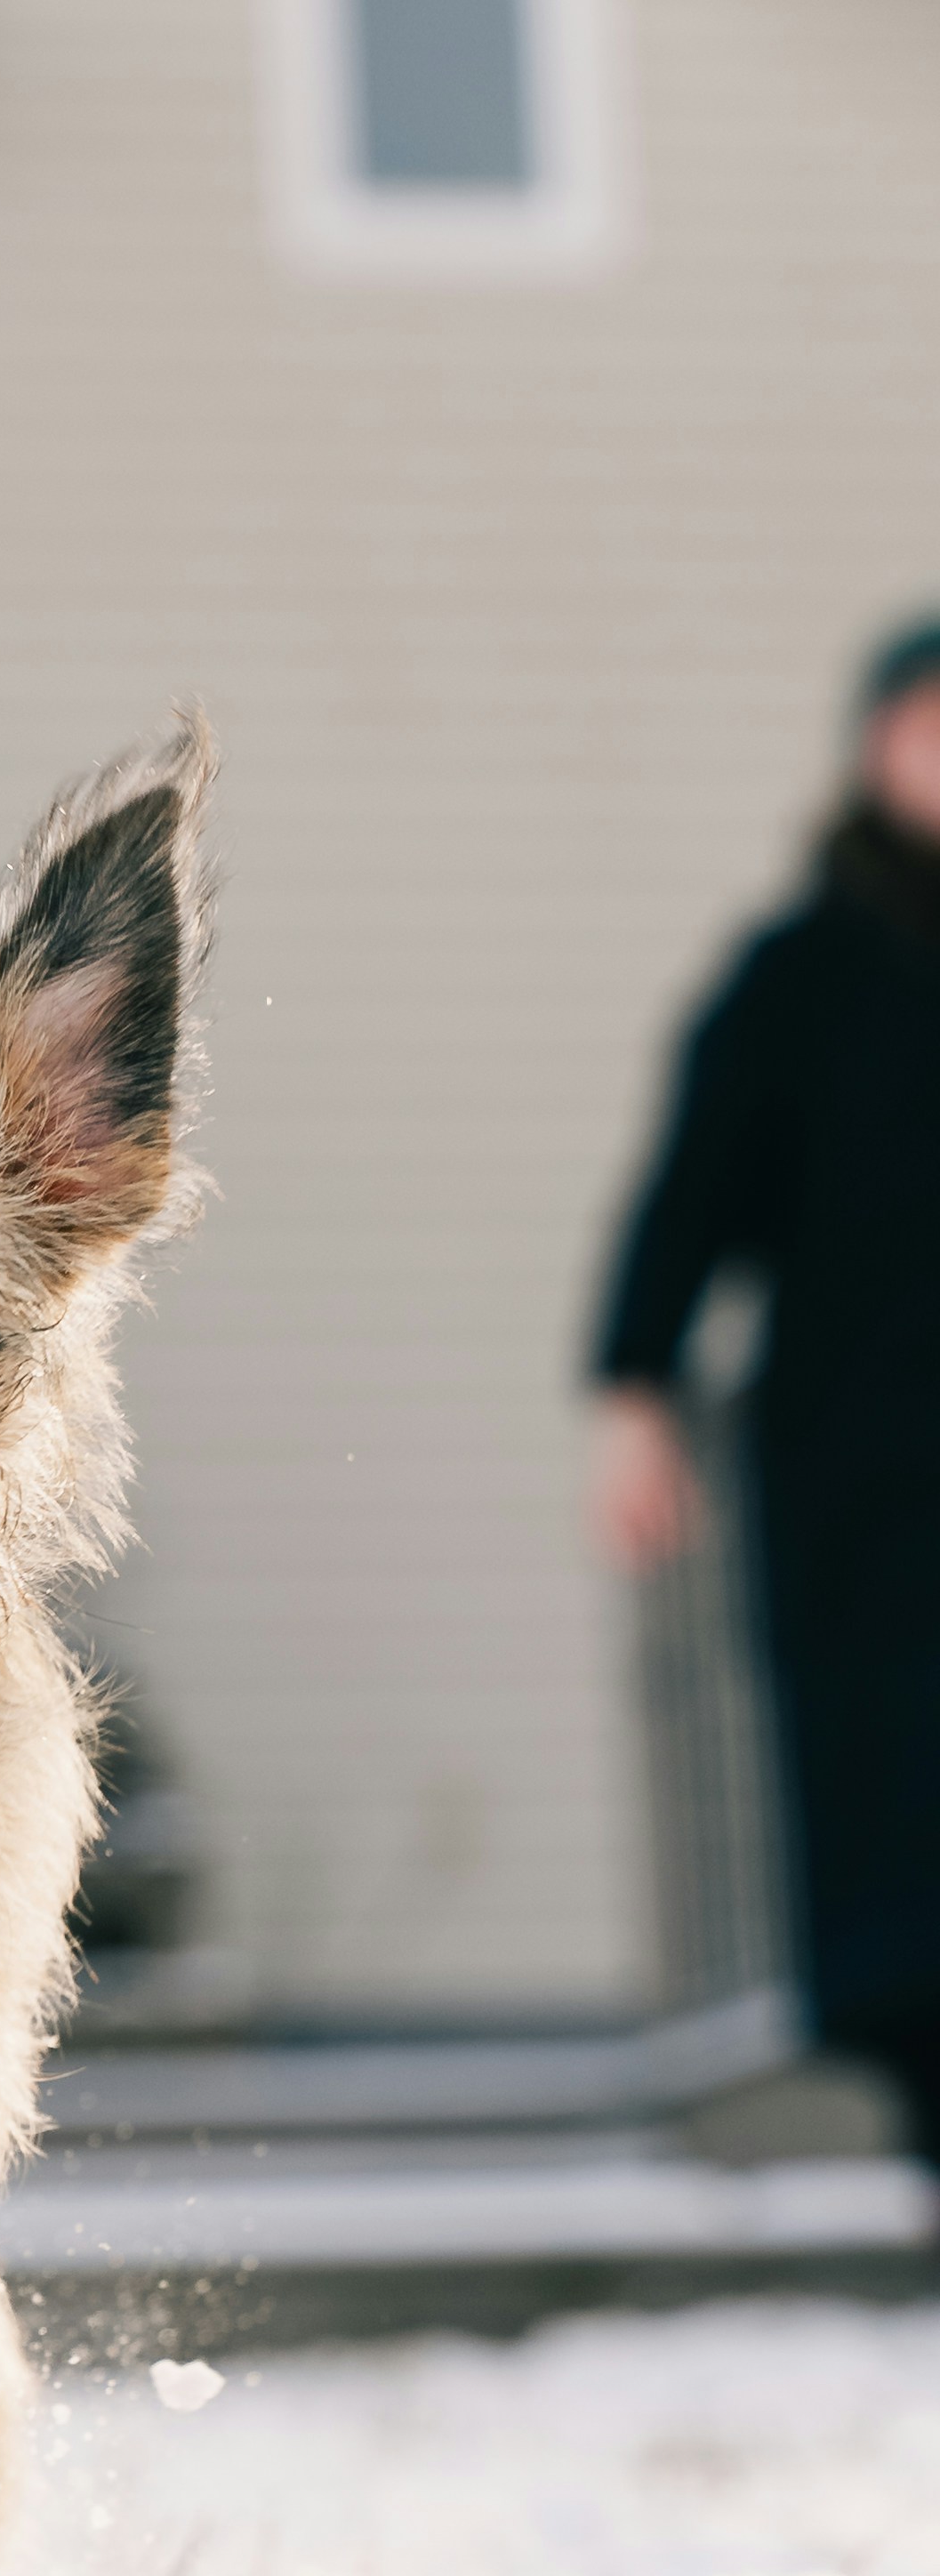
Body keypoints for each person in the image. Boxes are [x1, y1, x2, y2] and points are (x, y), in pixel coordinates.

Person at [591, 620, 940, 2161]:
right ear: (876, 752)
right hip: (869, 1486)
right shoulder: (800, 976)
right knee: (895, 1822)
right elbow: (691, 1198)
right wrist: (635, 1400)